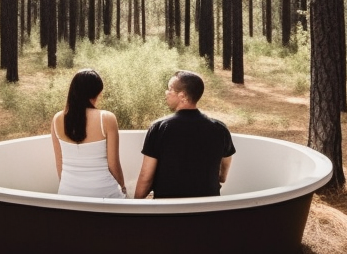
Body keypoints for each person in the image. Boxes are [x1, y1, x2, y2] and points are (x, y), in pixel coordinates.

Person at [134, 71, 235, 199]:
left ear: (182, 96)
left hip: (168, 208)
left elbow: (146, 177)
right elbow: (223, 175)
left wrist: (136, 205)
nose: (166, 93)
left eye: (170, 89)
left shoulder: (159, 128)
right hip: (208, 208)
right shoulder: (220, 129)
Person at [51, 69, 127, 198]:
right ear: (97, 92)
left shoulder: (57, 119)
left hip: (68, 192)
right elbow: (113, 164)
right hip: (103, 193)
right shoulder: (107, 118)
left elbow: (60, 163)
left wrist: (68, 188)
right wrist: (123, 188)